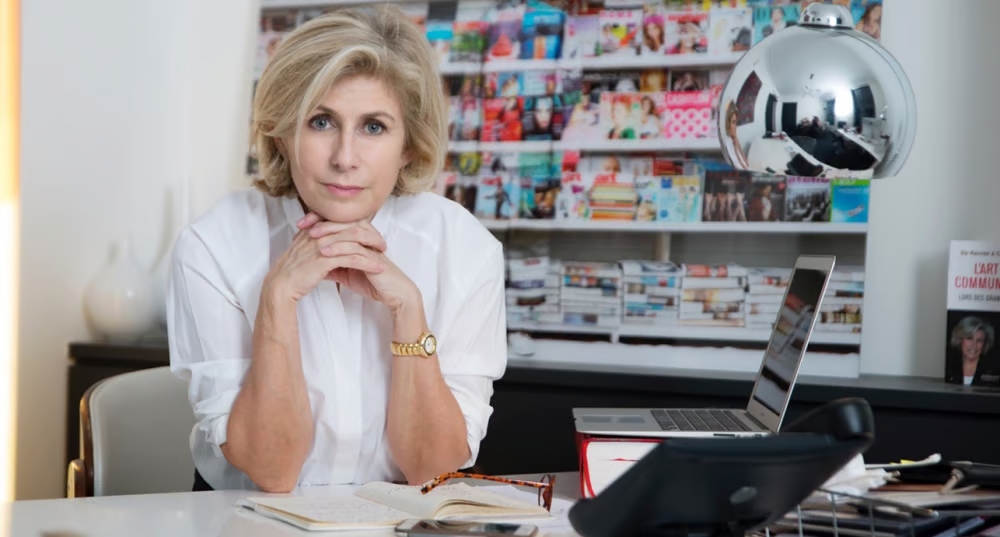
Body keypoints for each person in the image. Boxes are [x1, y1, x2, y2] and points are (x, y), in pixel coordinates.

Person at [166, 5, 507, 493]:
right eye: (321, 122)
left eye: (374, 127)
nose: (345, 159)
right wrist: (277, 301)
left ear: (409, 143)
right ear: (281, 133)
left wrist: (409, 310)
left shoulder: (465, 249)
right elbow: (272, 471)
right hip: (248, 520)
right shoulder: (213, 245)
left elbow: (433, 470)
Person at [947, 316, 996, 386]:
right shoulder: (949, 366)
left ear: (984, 344)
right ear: (960, 340)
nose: (974, 345)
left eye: (979, 341)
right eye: (969, 338)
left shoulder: (992, 371)